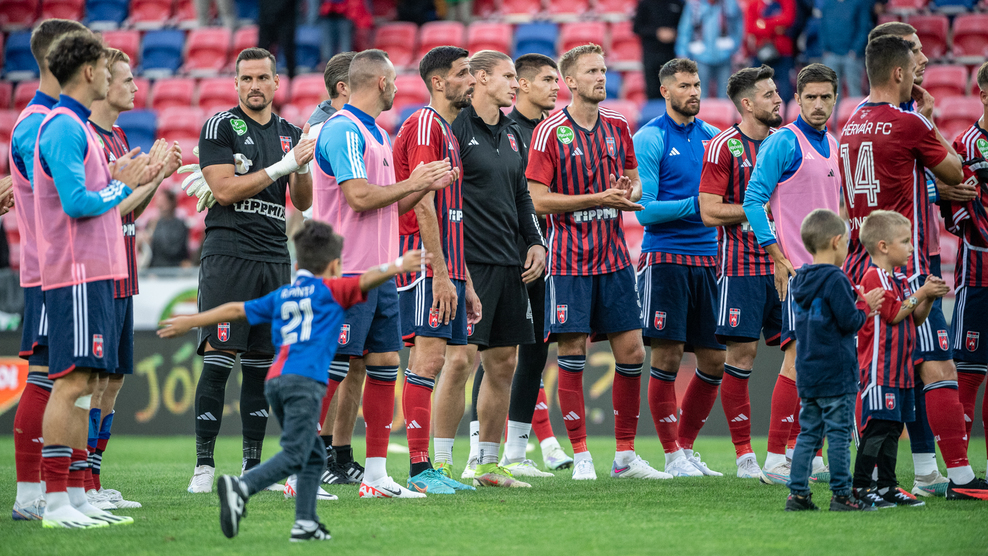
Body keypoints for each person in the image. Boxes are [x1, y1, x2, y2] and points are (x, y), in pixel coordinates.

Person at [158, 221, 430, 540]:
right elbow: (368, 279)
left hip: (276, 381)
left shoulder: (284, 294)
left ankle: (306, 523)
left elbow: (235, 309)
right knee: (297, 452)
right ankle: (241, 487)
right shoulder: (332, 291)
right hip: (305, 383)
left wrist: (192, 321)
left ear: (297, 264)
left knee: (312, 454)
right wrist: (398, 265)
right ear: (335, 266)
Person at [841, 35, 988, 500]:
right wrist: (927, 118)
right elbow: (957, 171)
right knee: (939, 368)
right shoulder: (908, 123)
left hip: (862, 262)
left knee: (888, 375)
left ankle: (907, 474)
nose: (922, 64)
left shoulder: (851, 122)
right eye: (915, 59)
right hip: (905, 268)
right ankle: (959, 478)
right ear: (899, 72)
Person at [312, 48, 455, 498]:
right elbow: (358, 197)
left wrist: (424, 185)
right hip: (345, 273)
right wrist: (415, 182)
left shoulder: (377, 133)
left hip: (381, 272)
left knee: (384, 364)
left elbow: (389, 204)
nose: (396, 87)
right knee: (331, 368)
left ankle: (375, 475)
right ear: (379, 82)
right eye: (393, 80)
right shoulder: (343, 130)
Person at [35, 30, 163, 529]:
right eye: (108, 71)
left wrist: (128, 183)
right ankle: (56, 501)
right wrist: (121, 186)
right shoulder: (64, 127)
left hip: (97, 271)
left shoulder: (77, 127)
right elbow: (77, 204)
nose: (113, 79)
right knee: (71, 385)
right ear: (89, 72)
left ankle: (76, 494)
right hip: (77, 273)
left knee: (87, 384)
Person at [185, 47, 315, 494]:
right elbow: (223, 191)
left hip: (275, 256)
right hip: (229, 254)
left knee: (261, 365)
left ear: (277, 82)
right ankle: (203, 466)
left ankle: (251, 467)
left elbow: (303, 201)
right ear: (236, 83)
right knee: (220, 358)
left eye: (262, 78)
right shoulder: (220, 126)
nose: (255, 86)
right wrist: (282, 166)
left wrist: (301, 165)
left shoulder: (290, 133)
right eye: (247, 79)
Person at [527, 44, 659, 481]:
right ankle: (581, 454)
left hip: (614, 255)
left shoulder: (618, 124)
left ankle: (625, 456)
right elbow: (537, 200)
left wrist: (626, 192)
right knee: (572, 350)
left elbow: (635, 183)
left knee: (633, 350)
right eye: (591, 71)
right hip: (568, 259)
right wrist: (596, 198)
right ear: (570, 81)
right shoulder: (549, 132)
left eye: (603, 70)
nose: (601, 77)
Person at [436, 50, 545, 486]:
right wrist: (453, 267)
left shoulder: (514, 134)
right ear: (480, 78)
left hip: (509, 263)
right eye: (508, 76)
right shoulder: (456, 129)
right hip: (470, 263)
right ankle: (439, 465)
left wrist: (535, 241)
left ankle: (486, 464)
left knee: (503, 363)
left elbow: (522, 196)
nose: (515, 84)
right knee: (460, 360)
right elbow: (441, 200)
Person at [86, 47, 182, 510]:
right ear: (103, 83)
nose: (135, 87)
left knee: (113, 382)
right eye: (126, 80)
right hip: (98, 272)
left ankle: (93, 478)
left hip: (124, 270)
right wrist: (142, 182)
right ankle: (77, 482)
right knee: (89, 381)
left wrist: (158, 177)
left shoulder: (121, 137)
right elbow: (101, 211)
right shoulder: (87, 137)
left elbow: (130, 213)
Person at [742, 63, 842, 484]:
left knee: (821, 367)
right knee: (796, 362)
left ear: (835, 98)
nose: (818, 104)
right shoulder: (784, 141)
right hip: (800, 274)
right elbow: (753, 200)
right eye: (810, 97)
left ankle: (811, 454)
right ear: (797, 99)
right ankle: (774, 459)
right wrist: (776, 255)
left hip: (831, 275)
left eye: (826, 97)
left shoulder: (833, 143)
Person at [8, 17, 90, 523]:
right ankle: (29, 494)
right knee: (46, 380)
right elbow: (70, 198)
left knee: (73, 381)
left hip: (67, 269)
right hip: (49, 271)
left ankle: (71, 491)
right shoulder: (40, 123)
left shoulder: (51, 120)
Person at [478, 53, 574, 475]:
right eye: (548, 80)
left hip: (545, 252)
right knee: (494, 353)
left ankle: (516, 454)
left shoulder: (554, 131)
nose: (556, 87)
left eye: (557, 80)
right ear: (525, 85)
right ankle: (479, 450)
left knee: (535, 351)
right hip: (506, 255)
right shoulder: (508, 130)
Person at [393, 46, 479, 494]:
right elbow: (423, 202)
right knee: (427, 360)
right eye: (463, 73)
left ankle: (433, 467)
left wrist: (463, 280)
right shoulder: (426, 124)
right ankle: (419, 470)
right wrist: (442, 274)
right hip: (426, 263)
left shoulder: (447, 130)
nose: (472, 80)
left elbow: (452, 213)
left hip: (449, 265)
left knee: (452, 359)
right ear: (439, 82)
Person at [634, 58, 723, 478]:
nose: (694, 92)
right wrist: (698, 206)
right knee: (667, 357)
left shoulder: (713, 138)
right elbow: (646, 211)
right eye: (685, 86)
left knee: (715, 360)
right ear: (665, 91)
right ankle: (671, 455)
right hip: (666, 258)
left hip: (709, 258)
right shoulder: (650, 137)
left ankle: (685, 450)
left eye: (697, 85)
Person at [698, 64, 783, 480]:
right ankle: (745, 456)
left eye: (777, 92)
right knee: (742, 356)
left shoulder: (788, 141)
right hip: (742, 267)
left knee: (802, 353)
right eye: (769, 95)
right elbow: (709, 211)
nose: (778, 100)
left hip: (787, 265)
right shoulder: (723, 147)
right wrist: (756, 210)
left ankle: (798, 451)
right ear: (747, 104)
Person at [784, 209, 880, 512]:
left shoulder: (800, 279)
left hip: (808, 370)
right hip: (837, 371)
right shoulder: (837, 278)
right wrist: (866, 306)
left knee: (808, 434)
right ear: (837, 241)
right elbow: (850, 322)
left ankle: (798, 495)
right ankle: (842, 495)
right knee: (838, 435)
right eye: (848, 242)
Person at [852, 210, 944, 508]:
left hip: (901, 371)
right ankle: (861, 486)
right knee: (878, 428)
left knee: (893, 429)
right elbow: (893, 314)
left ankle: (887, 486)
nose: (911, 248)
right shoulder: (873, 276)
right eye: (905, 241)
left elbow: (913, 317)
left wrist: (928, 297)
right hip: (880, 370)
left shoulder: (899, 279)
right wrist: (922, 292)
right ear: (883, 246)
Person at [947, 61, 988, 469]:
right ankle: (961, 468)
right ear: (984, 94)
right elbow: (957, 212)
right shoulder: (965, 145)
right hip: (978, 276)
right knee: (969, 372)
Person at [674, 0, 743, 99]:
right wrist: (682, 54)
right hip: (700, 57)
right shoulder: (694, 6)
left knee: (725, 95)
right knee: (699, 95)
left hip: (725, 56)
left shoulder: (730, 4)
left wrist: (735, 46)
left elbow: (738, 27)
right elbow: (685, 30)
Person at [745, 0, 796, 102]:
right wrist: (776, 27)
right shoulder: (754, 3)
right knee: (758, 92)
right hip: (761, 52)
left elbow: (788, 19)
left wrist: (763, 23)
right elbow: (750, 28)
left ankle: (784, 112)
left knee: (785, 92)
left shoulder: (786, 1)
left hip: (783, 53)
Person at [633, 0, 684, 100]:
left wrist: (675, 34)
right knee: (652, 92)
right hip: (651, 55)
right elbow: (637, 28)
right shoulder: (645, 3)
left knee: (672, 93)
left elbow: (686, 27)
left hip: (673, 55)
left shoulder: (678, 3)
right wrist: (657, 33)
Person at [819, 0, 870, 97]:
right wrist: (825, 48)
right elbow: (822, 26)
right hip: (831, 54)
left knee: (855, 92)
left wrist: (855, 50)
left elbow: (864, 27)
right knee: (831, 93)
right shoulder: (828, 3)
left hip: (852, 56)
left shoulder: (859, 3)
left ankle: (855, 108)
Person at [148, 190, 191, 268]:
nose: (160, 205)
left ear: (171, 203)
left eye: (163, 202)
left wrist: (151, 240)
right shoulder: (152, 223)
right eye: (159, 202)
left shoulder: (180, 225)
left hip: (175, 267)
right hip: (155, 268)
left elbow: (175, 250)